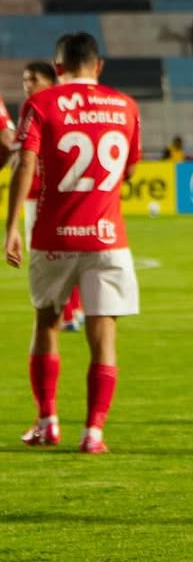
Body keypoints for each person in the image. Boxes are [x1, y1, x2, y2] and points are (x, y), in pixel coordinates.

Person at [4, 33, 142, 454]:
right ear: (98, 66)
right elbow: (130, 171)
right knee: (104, 334)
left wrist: (10, 227)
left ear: (57, 67)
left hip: (54, 236)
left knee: (47, 323)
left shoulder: (40, 104)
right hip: (107, 237)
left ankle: (48, 422)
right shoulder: (125, 106)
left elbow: (24, 163)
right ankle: (94, 433)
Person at [17, 62, 85, 332]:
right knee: (69, 253)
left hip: (40, 196)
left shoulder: (40, 109)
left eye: (33, 79)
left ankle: (66, 314)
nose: (27, 85)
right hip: (59, 195)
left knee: (48, 258)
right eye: (24, 80)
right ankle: (74, 310)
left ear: (50, 80)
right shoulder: (64, 108)